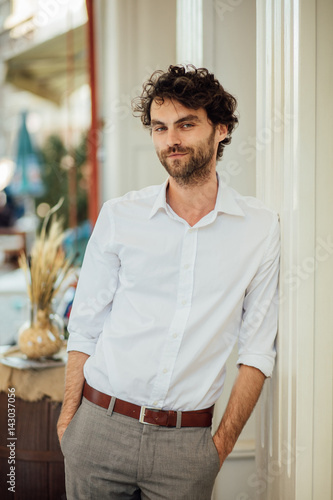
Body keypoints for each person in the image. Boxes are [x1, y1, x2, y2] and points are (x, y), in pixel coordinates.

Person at [57, 65, 280, 500]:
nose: (171, 139)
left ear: (222, 129)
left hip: (187, 448)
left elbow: (257, 351)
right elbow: (85, 326)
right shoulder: (120, 216)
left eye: (186, 124)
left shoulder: (259, 228)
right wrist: (70, 423)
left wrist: (219, 448)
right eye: (160, 128)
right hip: (98, 429)